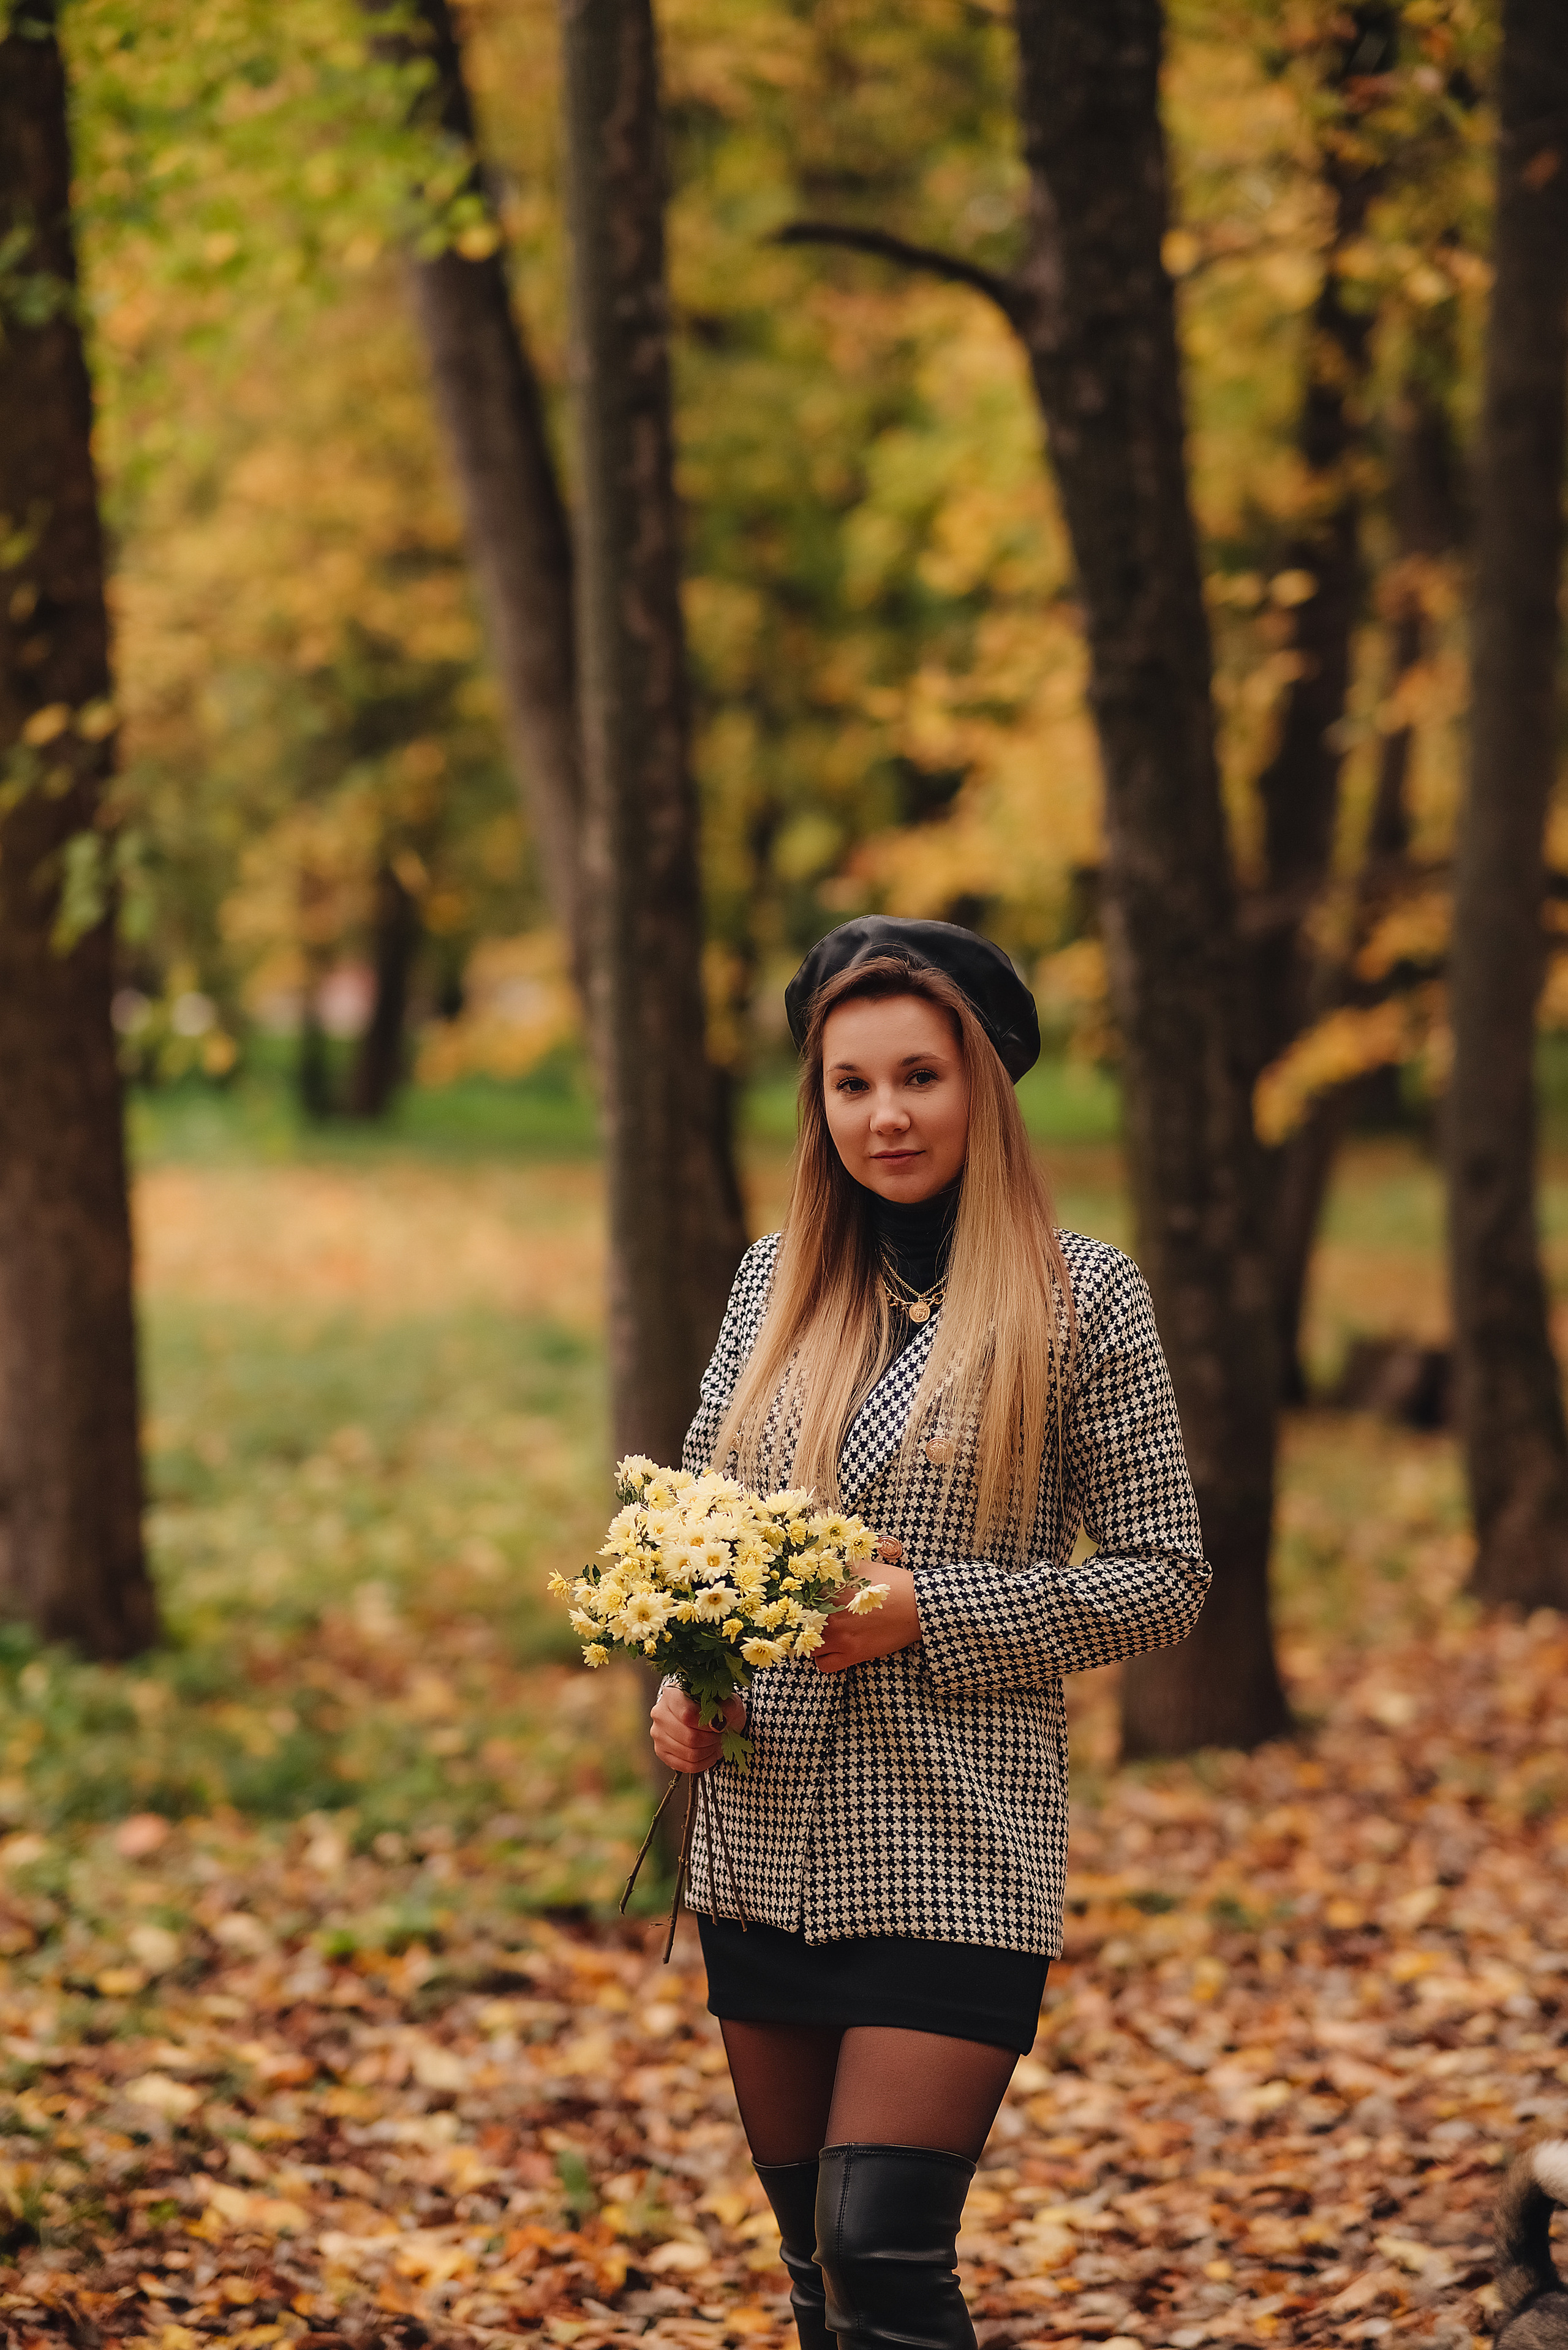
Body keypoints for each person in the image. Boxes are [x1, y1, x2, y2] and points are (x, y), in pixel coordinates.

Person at [649, 915, 1210, 2350]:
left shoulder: (1082, 1292)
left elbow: (1163, 1573)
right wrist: (682, 1675)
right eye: (850, 1084)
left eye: (918, 1076)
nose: (884, 1114)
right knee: (810, 2273)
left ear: (984, 1087)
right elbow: (691, 1542)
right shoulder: (771, 1280)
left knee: (881, 2253)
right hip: (764, 1829)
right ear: (818, 1101)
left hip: (957, 1836)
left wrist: (927, 1611)